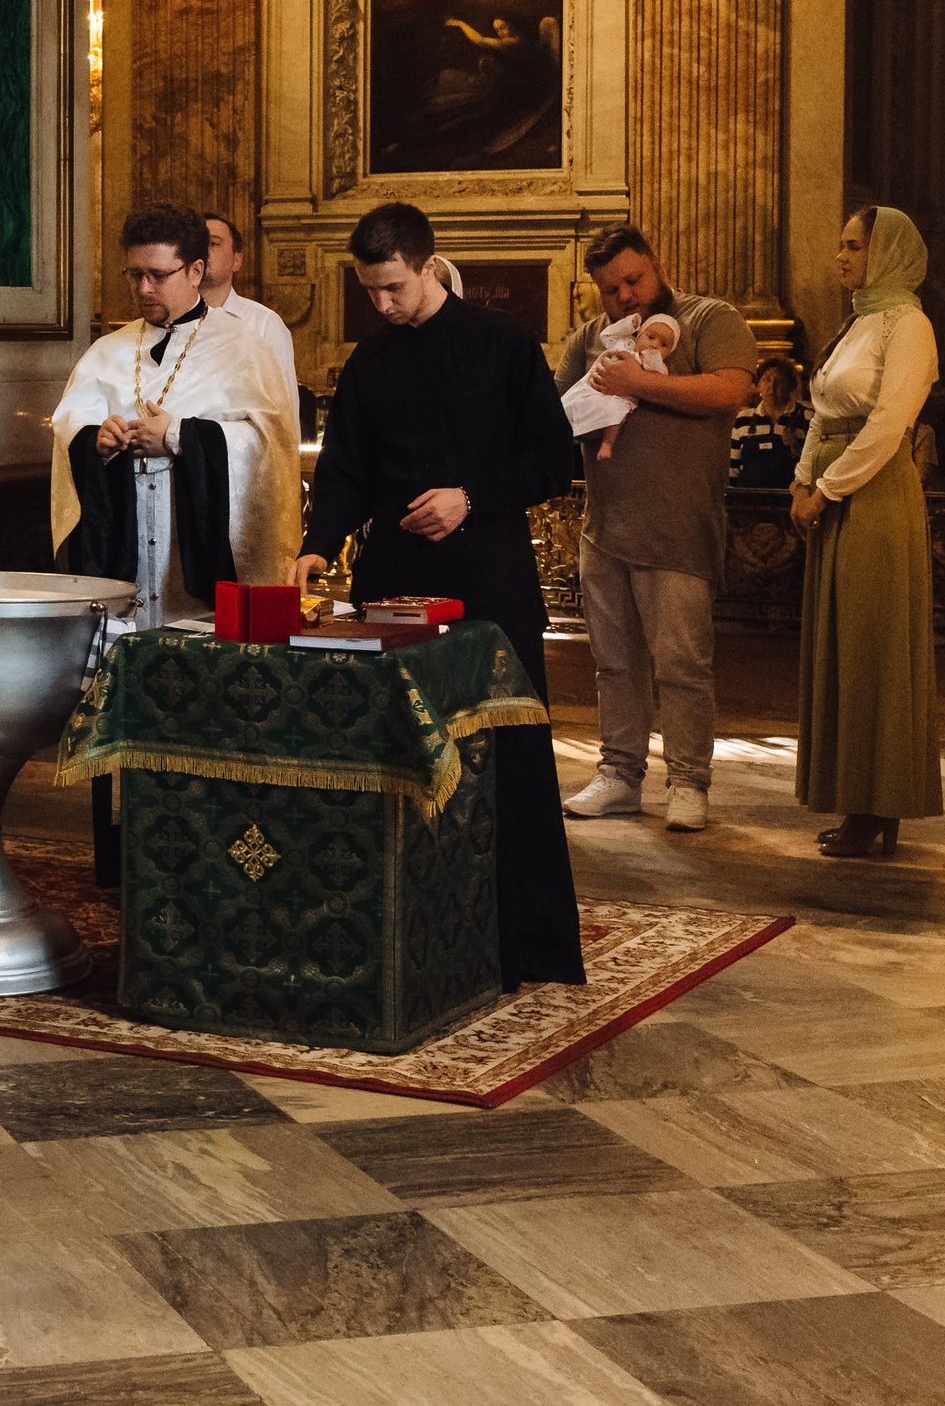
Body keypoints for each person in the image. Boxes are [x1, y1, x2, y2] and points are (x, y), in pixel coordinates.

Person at [289, 201, 585, 988]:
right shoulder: (370, 361)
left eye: (391, 287)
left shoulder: (505, 346)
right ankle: (401, 926)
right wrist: (318, 547)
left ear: (427, 265)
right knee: (398, 749)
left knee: (508, 757)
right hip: (393, 578)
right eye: (369, 291)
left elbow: (554, 461)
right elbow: (347, 467)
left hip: (489, 576)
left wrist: (469, 497)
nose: (381, 305)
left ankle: (522, 940)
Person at [552, 224, 757, 834]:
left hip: (678, 527)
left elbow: (730, 390)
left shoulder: (706, 317)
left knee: (681, 665)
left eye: (634, 280)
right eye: (611, 289)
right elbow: (554, 414)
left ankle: (689, 781)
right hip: (605, 527)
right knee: (614, 663)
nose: (626, 297)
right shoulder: (589, 337)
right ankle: (619, 774)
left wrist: (638, 383)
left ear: (657, 263)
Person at [53, 205, 302, 625]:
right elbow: (70, 429)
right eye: (135, 274)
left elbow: (272, 443)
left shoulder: (243, 346)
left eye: (159, 275)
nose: (145, 289)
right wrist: (96, 438)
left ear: (195, 271)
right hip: (125, 553)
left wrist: (179, 436)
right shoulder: (106, 351)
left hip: (195, 565)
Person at [793, 205, 943, 856]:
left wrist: (827, 487)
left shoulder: (909, 325)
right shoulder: (856, 321)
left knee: (873, 648)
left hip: (876, 498)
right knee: (842, 647)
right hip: (835, 496)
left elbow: (888, 425)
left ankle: (882, 803)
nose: (841, 257)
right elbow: (824, 412)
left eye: (854, 247)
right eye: (842, 245)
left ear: (887, 254)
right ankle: (854, 795)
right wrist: (802, 481)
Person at [201, 213, 301, 412]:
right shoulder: (170, 320)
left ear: (236, 260)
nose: (202, 250)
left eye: (213, 243)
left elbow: (285, 410)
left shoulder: (265, 324)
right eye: (196, 243)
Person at [560, 310, 681, 460]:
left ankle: (607, 443)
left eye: (664, 345)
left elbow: (659, 380)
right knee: (572, 403)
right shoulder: (624, 343)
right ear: (639, 335)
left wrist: (652, 357)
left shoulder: (652, 364)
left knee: (615, 413)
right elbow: (607, 335)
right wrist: (631, 324)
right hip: (594, 386)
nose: (655, 344)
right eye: (650, 337)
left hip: (620, 398)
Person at [730, 359, 810, 487]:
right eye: (766, 380)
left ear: (790, 386)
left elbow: (814, 465)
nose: (772, 387)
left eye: (779, 381)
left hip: (789, 498)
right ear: (758, 385)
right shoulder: (743, 419)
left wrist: (797, 448)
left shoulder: (806, 417)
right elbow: (732, 466)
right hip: (749, 499)